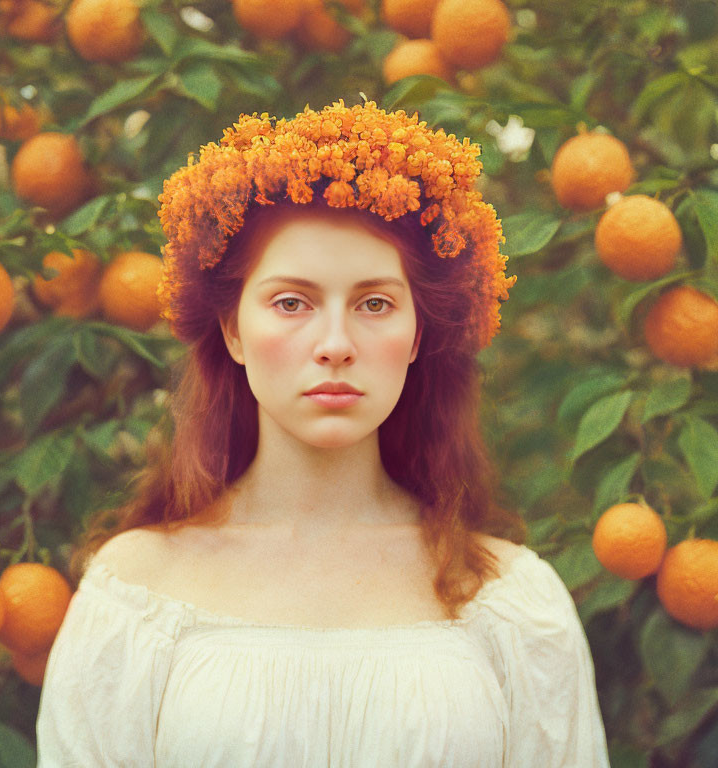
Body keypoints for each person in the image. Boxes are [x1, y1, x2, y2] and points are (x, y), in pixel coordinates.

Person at [35, 98, 611, 767]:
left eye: (374, 304)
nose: (335, 343)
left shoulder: (513, 601)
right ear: (232, 330)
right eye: (291, 302)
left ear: (418, 332)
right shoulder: (134, 592)